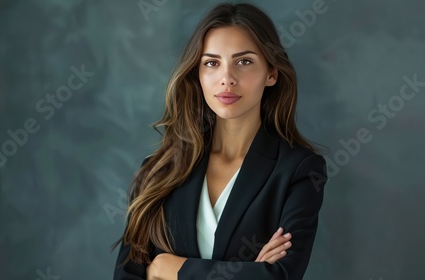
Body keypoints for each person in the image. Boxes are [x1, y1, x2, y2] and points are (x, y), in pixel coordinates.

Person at [112, 3, 327, 279]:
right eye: (212, 63)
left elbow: (280, 276)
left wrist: (167, 266)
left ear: (271, 73)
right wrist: (251, 273)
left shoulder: (299, 171)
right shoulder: (157, 172)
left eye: (244, 62)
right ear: (198, 74)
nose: (227, 79)